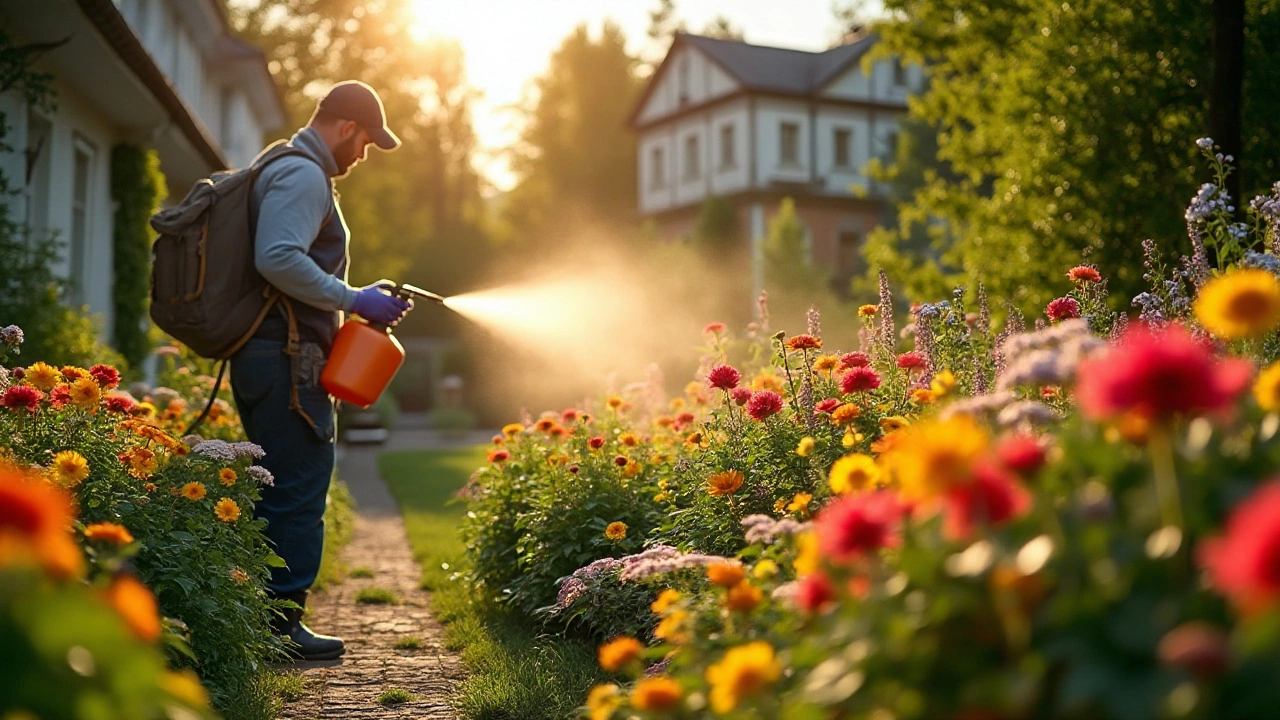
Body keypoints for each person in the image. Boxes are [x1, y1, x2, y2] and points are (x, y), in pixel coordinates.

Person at [230, 80, 410, 661]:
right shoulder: (304, 173)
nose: (362, 156)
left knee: (276, 485)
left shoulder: (281, 164)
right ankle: (279, 628)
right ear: (346, 127)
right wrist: (353, 299)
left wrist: (352, 298)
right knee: (299, 485)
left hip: (270, 353)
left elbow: (285, 261)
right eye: (364, 143)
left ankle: (257, 619)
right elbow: (277, 257)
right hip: (288, 357)